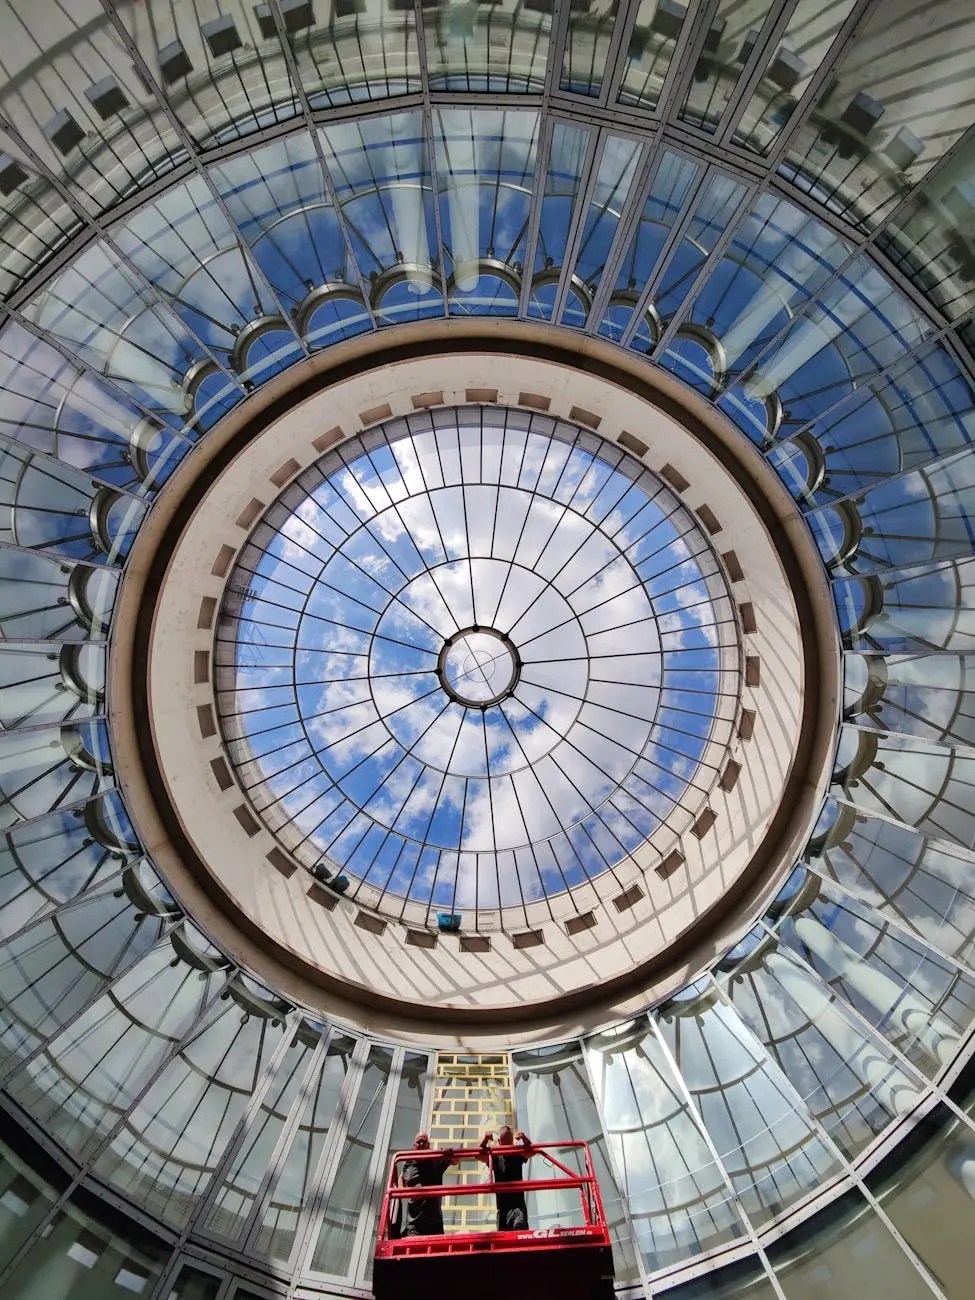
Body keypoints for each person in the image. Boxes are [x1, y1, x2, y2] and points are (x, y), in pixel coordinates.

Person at [400, 1132, 457, 1237]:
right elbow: (401, 1180)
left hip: (434, 1223)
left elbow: (456, 1161)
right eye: (418, 1142)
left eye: (424, 1141)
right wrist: (401, 1193)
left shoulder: (435, 1159)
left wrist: (449, 1153)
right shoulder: (408, 1163)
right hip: (414, 1224)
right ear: (414, 1146)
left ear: (428, 1145)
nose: (421, 1143)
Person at [478, 1125, 533, 1230]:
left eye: (509, 1143)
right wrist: (485, 1139)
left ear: (512, 1141)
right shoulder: (495, 1157)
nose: (508, 1147)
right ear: (499, 1142)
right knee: (503, 1241)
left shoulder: (517, 1154)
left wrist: (524, 1138)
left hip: (518, 1208)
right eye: (505, 1143)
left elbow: (532, 1151)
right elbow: (477, 1155)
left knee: (520, 1231)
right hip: (503, 1210)